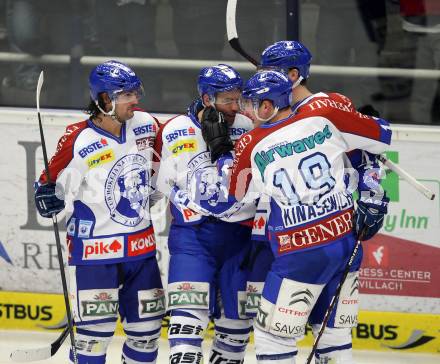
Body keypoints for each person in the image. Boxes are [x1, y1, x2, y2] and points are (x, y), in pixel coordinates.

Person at [202, 68, 392, 363]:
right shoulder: (323, 118)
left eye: (250, 104)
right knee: (334, 338)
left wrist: (220, 150)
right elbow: (382, 139)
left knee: (272, 338)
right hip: (346, 244)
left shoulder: (252, 142)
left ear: (267, 106)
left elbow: (236, 193)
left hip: (301, 254)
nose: (245, 111)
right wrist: (360, 123)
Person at [34, 60, 165, 364]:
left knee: (146, 339)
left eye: (136, 92)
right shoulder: (77, 137)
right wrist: (47, 196)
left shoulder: (147, 124)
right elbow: (47, 185)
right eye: (127, 95)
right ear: (105, 100)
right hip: (95, 256)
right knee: (92, 343)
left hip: (141, 254)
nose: (136, 100)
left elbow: (169, 156)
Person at [153, 64, 256, 364]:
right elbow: (156, 181)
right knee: (186, 326)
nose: (235, 107)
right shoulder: (172, 130)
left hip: (240, 238)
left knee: (236, 328)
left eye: (238, 99)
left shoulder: (249, 126)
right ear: (207, 98)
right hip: (192, 239)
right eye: (228, 100)